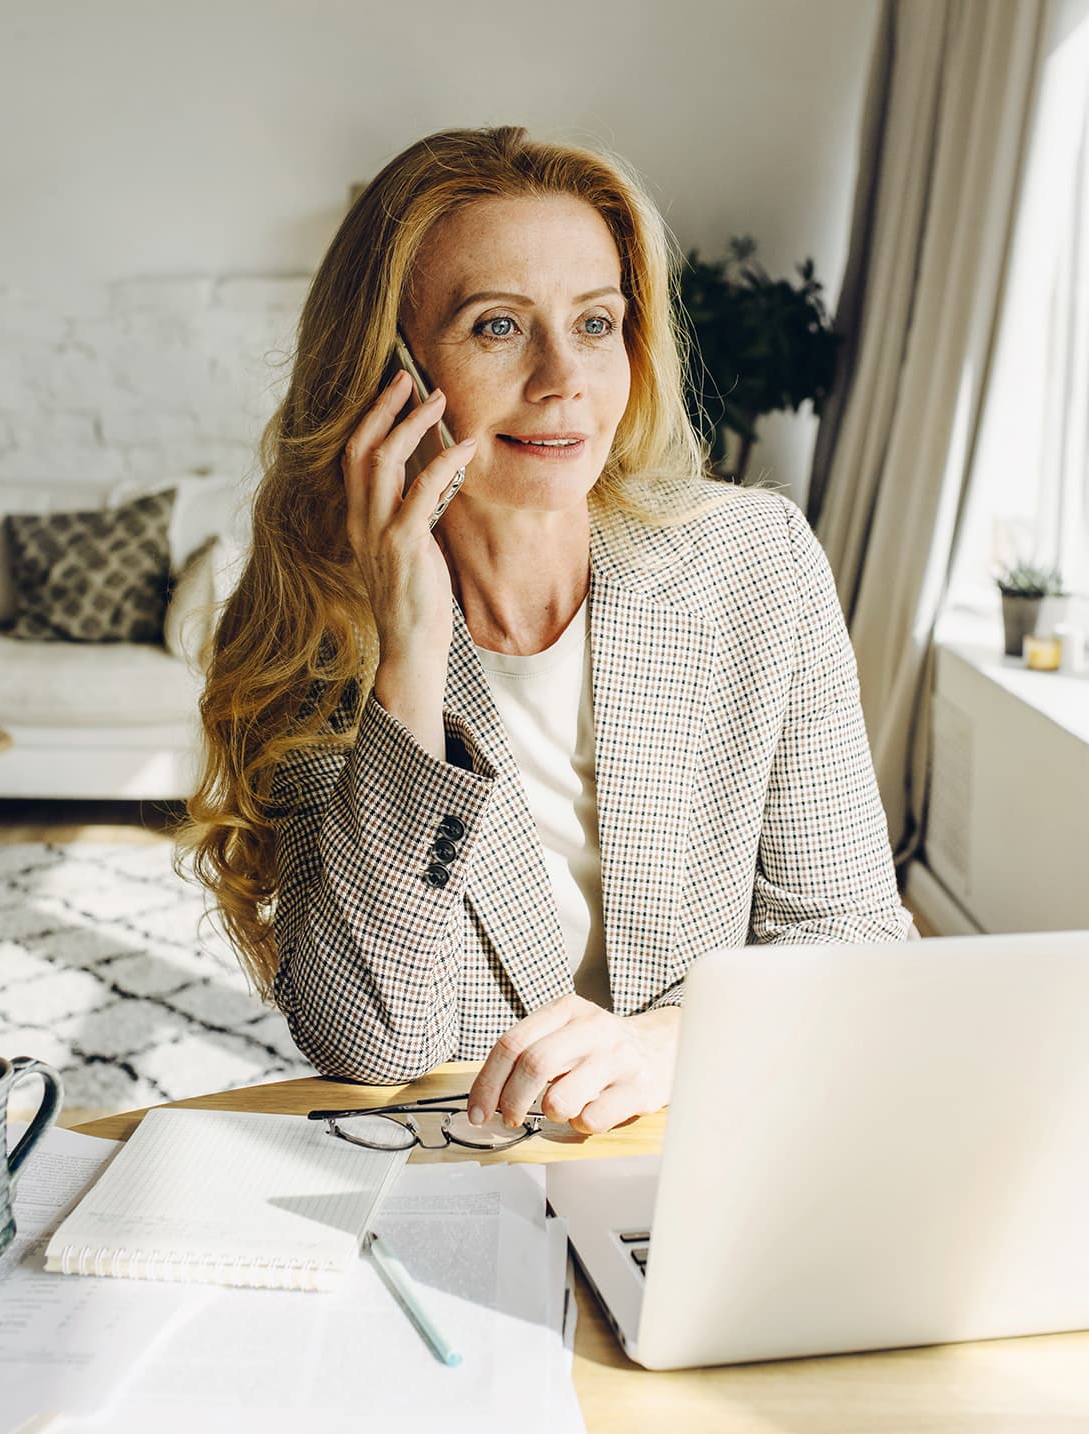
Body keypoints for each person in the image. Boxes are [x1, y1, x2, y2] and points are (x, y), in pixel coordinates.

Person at [183, 126, 912, 1137]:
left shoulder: (758, 564)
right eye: (496, 327)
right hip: (475, 1180)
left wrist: (667, 1047)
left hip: (725, 1140)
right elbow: (371, 1041)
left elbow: (857, 935)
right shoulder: (315, 636)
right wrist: (410, 659)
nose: (563, 377)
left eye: (598, 323)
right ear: (389, 369)